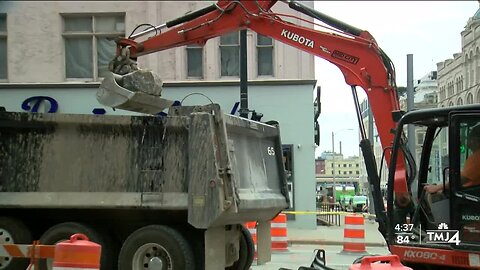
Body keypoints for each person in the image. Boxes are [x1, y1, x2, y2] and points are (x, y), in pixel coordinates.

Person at [425, 125, 480, 194]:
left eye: (470, 138)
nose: (468, 142)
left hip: (469, 196)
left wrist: (436, 187)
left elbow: (459, 181)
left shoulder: (476, 158)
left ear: (476, 140)